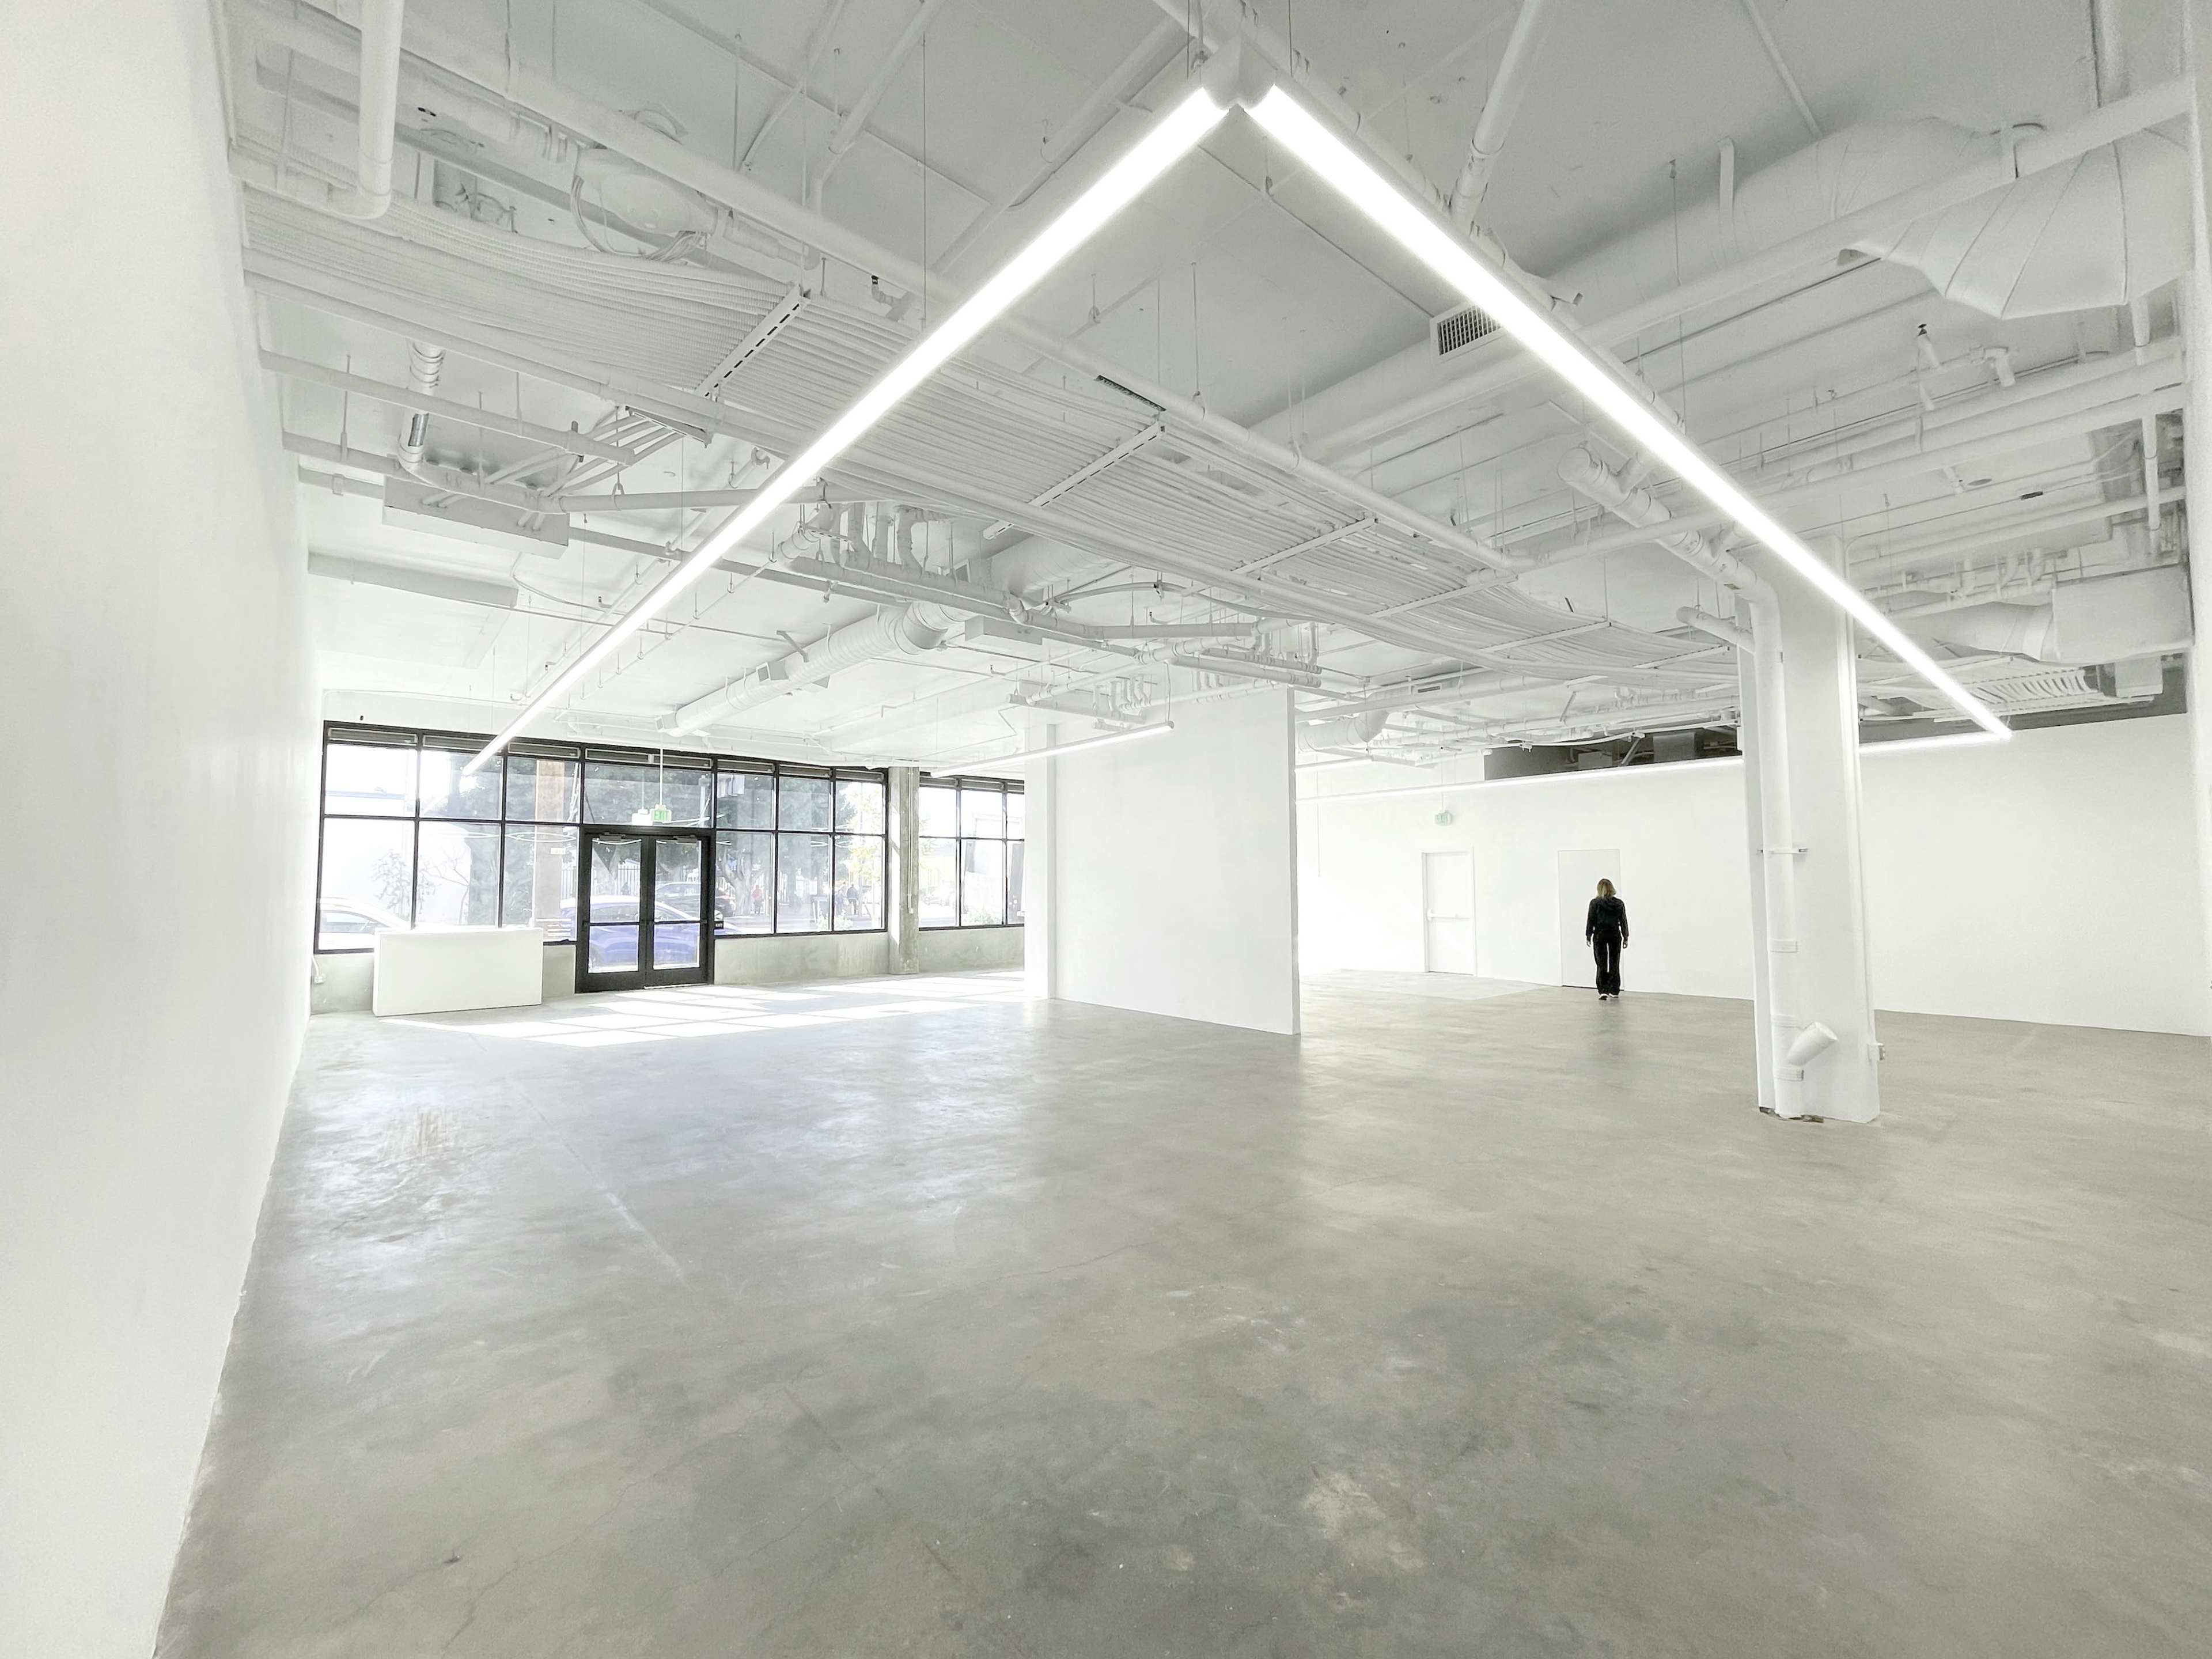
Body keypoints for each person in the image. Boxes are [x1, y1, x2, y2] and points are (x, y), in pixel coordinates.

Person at [1585, 878, 1628, 1001]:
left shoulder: (1595, 903)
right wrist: (1626, 936)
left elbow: (1591, 920)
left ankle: (1603, 990)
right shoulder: (1619, 903)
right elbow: (1623, 921)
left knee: (1601, 963)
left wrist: (1588, 935)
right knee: (1615, 963)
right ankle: (1614, 990)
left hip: (1600, 935)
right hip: (1615, 935)